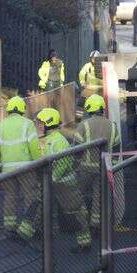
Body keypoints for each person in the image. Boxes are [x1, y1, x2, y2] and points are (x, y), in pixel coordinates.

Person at [36, 108, 92, 252]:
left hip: (65, 185)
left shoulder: (58, 141)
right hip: (54, 183)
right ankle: (30, 235)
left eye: (41, 123)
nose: (38, 125)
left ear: (49, 123)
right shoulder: (48, 140)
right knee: (40, 208)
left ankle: (84, 244)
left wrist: (52, 178)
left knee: (76, 213)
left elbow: (63, 162)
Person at [0, 96, 42, 234]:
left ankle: (9, 226)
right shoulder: (28, 124)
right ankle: (32, 226)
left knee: (9, 197)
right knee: (30, 197)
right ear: (22, 109)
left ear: (8, 110)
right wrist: (39, 164)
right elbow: (34, 148)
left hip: (7, 170)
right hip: (27, 169)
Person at [73, 94, 120, 230]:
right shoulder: (112, 125)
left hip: (85, 169)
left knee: (77, 196)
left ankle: (80, 224)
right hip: (105, 168)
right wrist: (113, 165)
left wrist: (76, 165)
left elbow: (77, 150)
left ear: (89, 108)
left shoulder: (84, 125)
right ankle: (96, 225)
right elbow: (116, 147)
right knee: (98, 198)